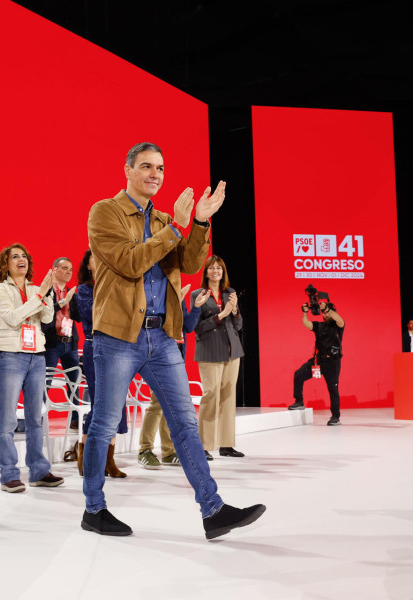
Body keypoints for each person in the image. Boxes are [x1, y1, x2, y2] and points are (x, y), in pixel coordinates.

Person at [82, 142, 265, 539]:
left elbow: (191, 263)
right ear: (127, 169)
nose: (155, 174)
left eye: (160, 168)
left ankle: (213, 509)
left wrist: (198, 223)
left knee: (183, 423)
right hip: (117, 336)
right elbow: (130, 261)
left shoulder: (167, 218)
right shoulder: (104, 212)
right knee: (105, 424)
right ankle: (94, 509)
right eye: (146, 166)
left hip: (163, 337)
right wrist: (178, 228)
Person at [0, 243, 64, 493]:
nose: (21, 259)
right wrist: (39, 297)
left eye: (24, 256)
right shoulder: (0, 288)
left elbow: (46, 319)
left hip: (37, 355)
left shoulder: (37, 288)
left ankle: (39, 470)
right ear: (6, 264)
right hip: (11, 355)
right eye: (15, 256)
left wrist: (43, 295)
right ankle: (9, 474)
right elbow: (11, 319)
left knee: (35, 417)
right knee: (9, 418)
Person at [75, 249, 127, 478]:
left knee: (117, 404)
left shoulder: (116, 283)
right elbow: (92, 313)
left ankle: (109, 459)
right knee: (99, 404)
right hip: (94, 345)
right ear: (88, 264)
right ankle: (85, 455)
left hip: (118, 347)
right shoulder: (84, 289)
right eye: (94, 256)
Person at [138, 284, 202, 468]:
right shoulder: (155, 295)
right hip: (157, 357)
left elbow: (187, 327)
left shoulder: (177, 296)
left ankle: (168, 451)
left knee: (171, 404)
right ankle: (145, 449)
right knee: (157, 404)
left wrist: (196, 307)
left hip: (176, 357)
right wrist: (173, 305)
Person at [191, 255, 245, 459]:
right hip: (209, 350)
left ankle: (226, 444)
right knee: (211, 395)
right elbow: (197, 328)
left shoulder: (230, 293)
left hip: (232, 350)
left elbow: (238, 326)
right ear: (206, 272)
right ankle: (203, 445)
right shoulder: (198, 294)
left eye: (219, 268)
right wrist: (221, 315)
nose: (216, 271)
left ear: (224, 272)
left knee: (228, 396)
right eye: (212, 268)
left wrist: (236, 310)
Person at [289, 298, 345, 426]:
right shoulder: (320, 325)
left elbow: (339, 319)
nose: (325, 314)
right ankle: (299, 401)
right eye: (323, 313)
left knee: (333, 389)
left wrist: (327, 309)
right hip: (318, 361)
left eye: (327, 312)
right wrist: (304, 312)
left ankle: (335, 417)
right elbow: (306, 324)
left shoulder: (338, 326)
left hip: (332, 363)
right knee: (298, 374)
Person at [42, 257, 82, 431]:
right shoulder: (46, 290)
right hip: (52, 342)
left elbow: (78, 318)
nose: (68, 272)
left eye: (71, 269)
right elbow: (46, 315)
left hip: (70, 342)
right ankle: (38, 417)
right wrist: (64, 302)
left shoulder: (72, 292)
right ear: (54, 269)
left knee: (74, 382)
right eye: (65, 268)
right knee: (45, 382)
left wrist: (77, 302)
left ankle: (75, 418)